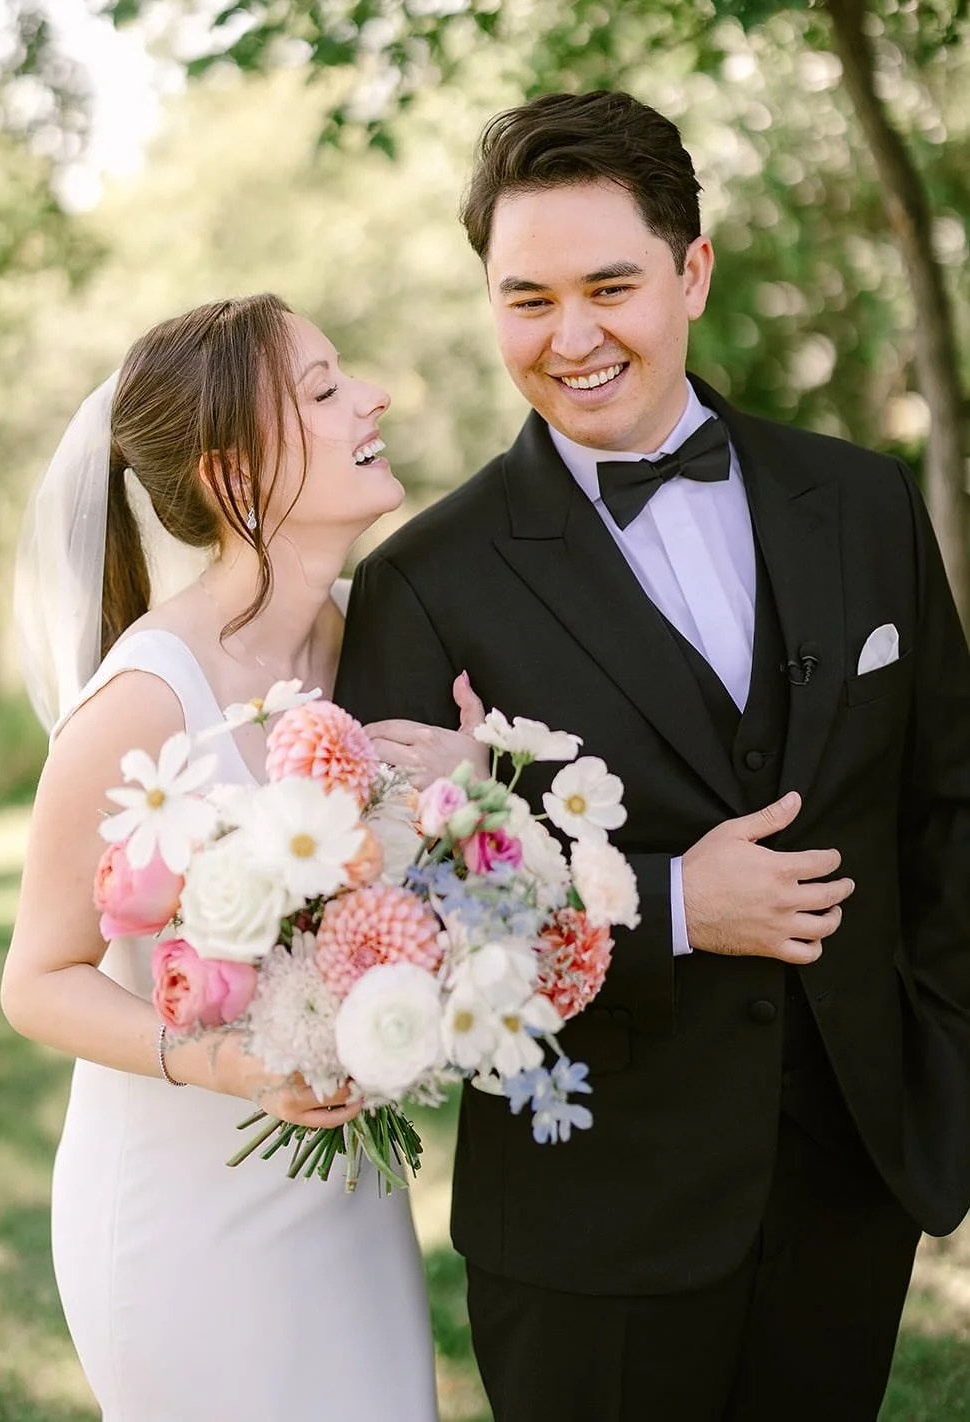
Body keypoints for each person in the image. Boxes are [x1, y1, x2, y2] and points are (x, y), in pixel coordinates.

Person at [336, 91, 970, 1421]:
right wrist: (673, 905)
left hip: (846, 1186)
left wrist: (940, 1075)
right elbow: (398, 931)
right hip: (590, 1227)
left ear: (690, 272)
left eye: (608, 284)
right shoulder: (423, 583)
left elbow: (943, 805)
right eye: (525, 297)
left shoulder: (856, 499)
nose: (570, 337)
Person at [2, 294, 461, 1422]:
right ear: (233, 478)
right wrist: (219, 1065)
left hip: (342, 1190)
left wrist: (461, 778)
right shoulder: (144, 701)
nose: (372, 398)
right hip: (187, 1217)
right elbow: (35, 981)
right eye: (321, 390)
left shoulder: (364, 638)